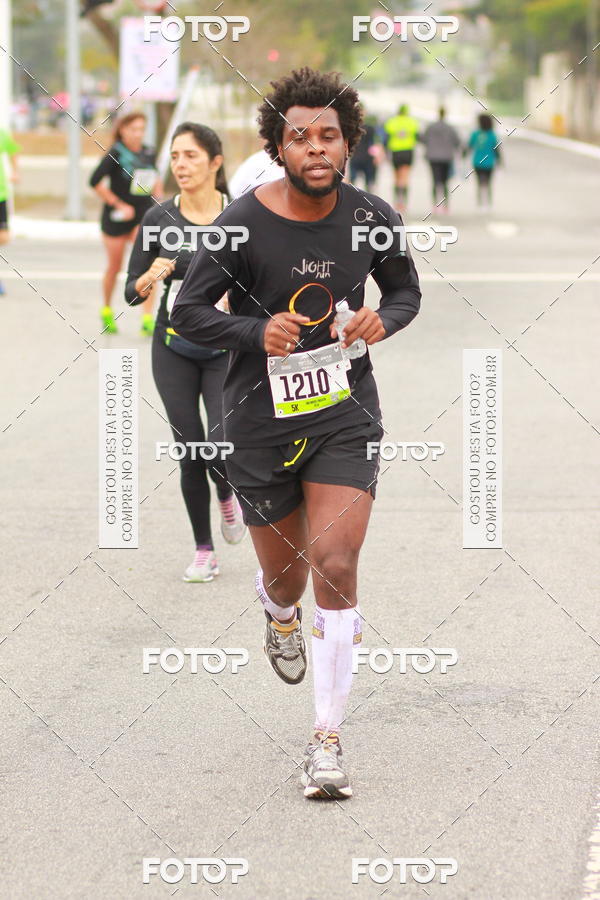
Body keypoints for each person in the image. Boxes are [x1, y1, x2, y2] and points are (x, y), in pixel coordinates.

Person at [171, 68, 421, 799]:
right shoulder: (241, 222)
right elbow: (187, 312)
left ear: (348, 143)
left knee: (335, 565)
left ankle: (326, 740)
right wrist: (256, 329)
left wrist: (385, 318)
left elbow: (402, 288)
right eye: (300, 137)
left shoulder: (373, 215)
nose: (316, 148)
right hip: (256, 421)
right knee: (286, 577)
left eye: (329, 137)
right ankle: (278, 613)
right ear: (278, 147)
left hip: (344, 414)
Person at [125, 122, 246, 582]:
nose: (181, 165)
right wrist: (147, 279)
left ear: (215, 163)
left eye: (191, 156)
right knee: (189, 447)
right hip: (173, 347)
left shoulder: (240, 216)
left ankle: (227, 494)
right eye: (175, 156)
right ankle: (203, 549)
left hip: (224, 349)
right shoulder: (158, 219)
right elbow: (131, 295)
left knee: (219, 444)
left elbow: (260, 286)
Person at [90, 112, 163, 335]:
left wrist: (159, 201)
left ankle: (148, 318)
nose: (138, 134)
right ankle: (106, 310)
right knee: (115, 266)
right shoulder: (115, 153)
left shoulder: (148, 152)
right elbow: (94, 182)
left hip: (142, 215)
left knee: (150, 266)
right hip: (116, 218)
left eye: (141, 129)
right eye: (133, 129)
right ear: (123, 130)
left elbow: (155, 178)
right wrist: (118, 204)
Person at [419, 107, 461, 214]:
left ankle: (435, 205)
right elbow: (457, 142)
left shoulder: (431, 127)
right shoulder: (450, 128)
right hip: (446, 157)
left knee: (435, 181)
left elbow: (423, 139)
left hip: (433, 157)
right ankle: (446, 205)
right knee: (445, 182)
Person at [384, 103, 419, 212]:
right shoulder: (412, 122)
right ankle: (404, 202)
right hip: (408, 151)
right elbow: (417, 137)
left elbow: (387, 138)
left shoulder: (392, 122)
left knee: (396, 178)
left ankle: (396, 202)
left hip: (395, 151)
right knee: (405, 178)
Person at [0, 127, 21, 296]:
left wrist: (15, 172)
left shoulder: (2, 134)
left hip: (1, 194)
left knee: (4, 237)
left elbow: (13, 151)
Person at [467, 113, 501, 211]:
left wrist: (464, 155)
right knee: (488, 183)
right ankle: (488, 203)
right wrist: (499, 161)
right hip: (489, 162)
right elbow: (497, 149)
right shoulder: (492, 134)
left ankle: (480, 203)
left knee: (479, 183)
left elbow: (469, 146)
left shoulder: (475, 134)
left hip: (477, 162)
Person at [349, 113, 379, 192]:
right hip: (367, 157)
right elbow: (373, 144)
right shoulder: (370, 128)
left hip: (355, 156)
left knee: (352, 181)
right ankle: (368, 200)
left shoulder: (352, 128)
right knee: (368, 182)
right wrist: (376, 156)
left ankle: (350, 197)